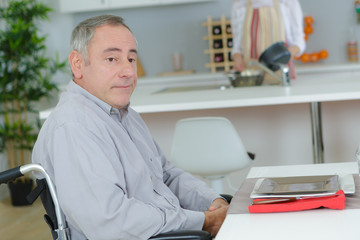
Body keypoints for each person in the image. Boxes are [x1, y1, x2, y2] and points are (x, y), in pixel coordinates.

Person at [32, 15, 228, 240]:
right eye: (112, 59)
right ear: (78, 64)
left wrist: (213, 202)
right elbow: (110, 223)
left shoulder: (126, 116)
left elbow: (167, 176)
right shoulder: (74, 127)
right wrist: (205, 221)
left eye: (131, 59)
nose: (128, 72)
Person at [231, 0, 306, 79]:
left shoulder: (287, 2)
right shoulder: (239, 4)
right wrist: (238, 59)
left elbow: (299, 41)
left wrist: (283, 56)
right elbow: (237, 45)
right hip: (251, 75)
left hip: (281, 73)